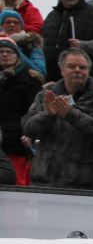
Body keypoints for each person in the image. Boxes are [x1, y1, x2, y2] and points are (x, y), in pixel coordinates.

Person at [21, 48, 93, 190]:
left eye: (82, 67)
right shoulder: (45, 95)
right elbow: (28, 128)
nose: (77, 70)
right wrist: (48, 115)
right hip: (44, 180)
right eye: (71, 66)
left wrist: (71, 114)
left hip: (83, 183)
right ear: (62, 70)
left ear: (88, 71)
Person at [0, 36, 44, 185]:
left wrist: (30, 134)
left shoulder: (30, 80)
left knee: (16, 186)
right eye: (1, 52)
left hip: (17, 143)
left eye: (9, 51)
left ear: (17, 55)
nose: (5, 55)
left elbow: (35, 111)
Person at [1, 10, 45, 76]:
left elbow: (40, 73)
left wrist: (13, 47)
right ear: (1, 25)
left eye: (16, 23)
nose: (12, 25)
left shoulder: (31, 44)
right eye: (8, 22)